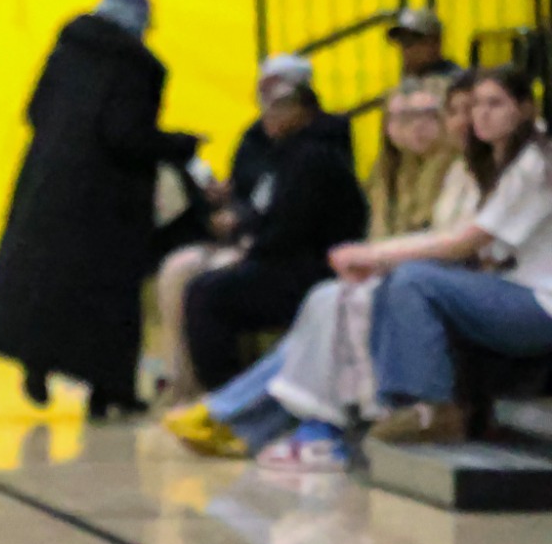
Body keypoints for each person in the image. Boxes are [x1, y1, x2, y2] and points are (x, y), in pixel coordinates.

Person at [167, 78, 473, 467]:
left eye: (428, 114)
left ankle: (244, 415)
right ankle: (233, 411)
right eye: (400, 116)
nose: (415, 126)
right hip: (381, 274)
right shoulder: (385, 175)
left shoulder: (455, 170)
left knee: (326, 303)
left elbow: (446, 243)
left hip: (410, 280)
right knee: (320, 302)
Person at [0, 0, 202, 417]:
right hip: (106, 201)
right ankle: (108, 390)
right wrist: (179, 145)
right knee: (107, 295)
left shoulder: (65, 50)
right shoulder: (138, 66)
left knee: (47, 283)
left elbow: (34, 111)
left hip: (48, 185)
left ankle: (37, 361)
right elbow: (124, 135)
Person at [339, 66, 552, 442]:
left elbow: (463, 242)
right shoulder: (500, 162)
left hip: (539, 304)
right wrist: (381, 258)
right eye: (477, 105)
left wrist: (373, 254)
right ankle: (398, 405)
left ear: (524, 108)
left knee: (414, 280)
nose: (481, 114)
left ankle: (435, 407)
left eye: (496, 104)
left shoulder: (536, 161)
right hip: (512, 293)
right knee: (397, 281)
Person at [179, 78, 369, 392]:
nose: (270, 116)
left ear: (306, 111)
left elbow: (291, 228)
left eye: (281, 107)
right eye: (266, 108)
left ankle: (224, 395)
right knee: (199, 282)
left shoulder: (313, 157)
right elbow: (267, 214)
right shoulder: (283, 153)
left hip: (313, 269)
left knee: (206, 294)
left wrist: (248, 250)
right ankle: (203, 389)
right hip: (287, 257)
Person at [388, 8, 464, 86]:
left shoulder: (454, 80)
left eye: (412, 40)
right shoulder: (410, 79)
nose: (406, 49)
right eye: (402, 41)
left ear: (434, 42)